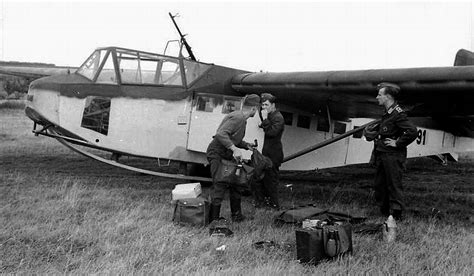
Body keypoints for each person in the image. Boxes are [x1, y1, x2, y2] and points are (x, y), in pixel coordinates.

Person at [363, 82, 418, 220]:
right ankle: (385, 211)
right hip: (383, 153)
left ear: (388, 97)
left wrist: (397, 143)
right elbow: (386, 131)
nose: (377, 97)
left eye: (379, 95)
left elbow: (412, 131)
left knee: (393, 184)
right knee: (380, 184)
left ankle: (396, 214)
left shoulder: (397, 114)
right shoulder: (388, 114)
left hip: (393, 155)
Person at [206, 94, 261, 222]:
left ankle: (237, 216)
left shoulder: (241, 118)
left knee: (236, 183)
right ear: (254, 108)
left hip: (225, 152)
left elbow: (233, 137)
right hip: (217, 152)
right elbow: (221, 134)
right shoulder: (238, 118)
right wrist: (234, 148)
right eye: (257, 109)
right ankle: (214, 219)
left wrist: (246, 145)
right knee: (220, 183)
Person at [253, 93, 285, 209]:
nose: (264, 107)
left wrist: (265, 119)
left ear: (273, 105)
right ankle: (265, 203)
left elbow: (272, 132)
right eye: (263, 105)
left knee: (271, 181)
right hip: (267, 154)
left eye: (266, 104)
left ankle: (275, 206)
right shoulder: (271, 116)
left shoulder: (278, 117)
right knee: (262, 179)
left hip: (274, 155)